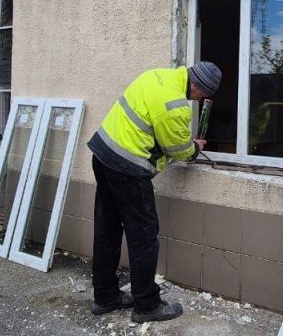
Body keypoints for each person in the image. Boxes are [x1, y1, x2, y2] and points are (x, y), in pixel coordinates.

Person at [86, 61, 221, 322]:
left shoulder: (156, 75)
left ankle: (105, 297)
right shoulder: (176, 105)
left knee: (108, 230)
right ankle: (146, 306)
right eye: (202, 94)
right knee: (144, 237)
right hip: (127, 168)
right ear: (195, 85)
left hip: (103, 155)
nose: (200, 100)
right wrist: (195, 147)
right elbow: (179, 149)